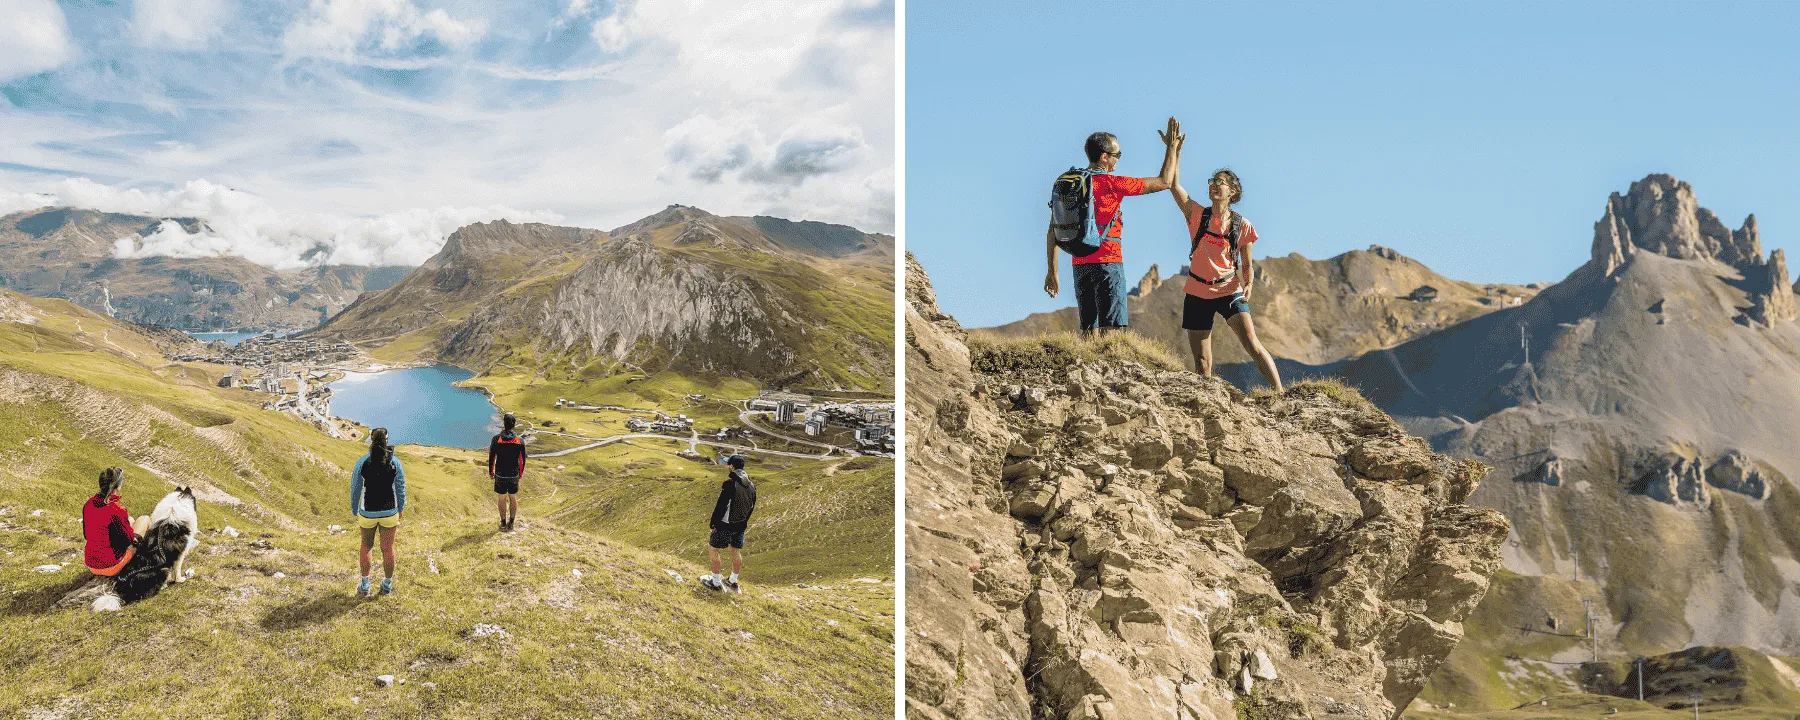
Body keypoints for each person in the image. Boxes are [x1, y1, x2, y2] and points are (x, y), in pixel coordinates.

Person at [1167, 123, 1284, 392]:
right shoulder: (1197, 214)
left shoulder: (1242, 225)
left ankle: (1279, 393)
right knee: (1202, 361)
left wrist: (1249, 284)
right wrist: (1175, 151)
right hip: (1197, 291)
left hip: (1229, 289)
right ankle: (1208, 402)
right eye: (1211, 182)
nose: (1213, 186)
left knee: (1252, 344)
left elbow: (1247, 263)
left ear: (1232, 190)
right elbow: (1174, 186)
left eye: (1219, 182)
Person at [1045, 117, 1181, 334]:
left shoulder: (1071, 186)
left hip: (1079, 264)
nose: (1118, 160)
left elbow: (1053, 231)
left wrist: (1052, 273)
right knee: (1113, 333)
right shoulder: (1112, 183)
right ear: (1104, 157)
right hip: (1108, 263)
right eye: (1117, 155)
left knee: (1089, 331)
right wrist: (1172, 149)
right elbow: (1164, 181)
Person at [350, 427, 406, 597]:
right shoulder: (395, 462)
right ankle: (387, 586)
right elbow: (400, 488)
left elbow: (355, 487)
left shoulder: (362, 462)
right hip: (390, 512)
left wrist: (354, 509)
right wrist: (401, 509)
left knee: (366, 546)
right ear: (387, 440)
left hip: (367, 513)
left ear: (371, 440)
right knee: (387, 548)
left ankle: (365, 586)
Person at [703, 455, 757, 593]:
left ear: (732, 466)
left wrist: (713, 523)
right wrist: (744, 521)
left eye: (729, 465)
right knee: (735, 551)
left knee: (713, 548)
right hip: (740, 524)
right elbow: (752, 506)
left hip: (725, 524)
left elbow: (721, 506)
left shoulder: (729, 484)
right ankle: (733, 581)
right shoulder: (752, 486)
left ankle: (715, 582)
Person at [82, 467, 148, 577]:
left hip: (91, 565)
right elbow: (128, 540)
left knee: (130, 520)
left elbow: (86, 535)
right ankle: (143, 561)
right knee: (144, 519)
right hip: (110, 566)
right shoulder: (117, 509)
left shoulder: (89, 504)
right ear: (118, 486)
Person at [487, 412, 526, 531]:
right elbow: (522, 459)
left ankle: (503, 523)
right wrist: (520, 473)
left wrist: (491, 472)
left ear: (504, 424)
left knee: (502, 498)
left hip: (500, 474)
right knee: (513, 497)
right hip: (514, 474)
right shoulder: (519, 440)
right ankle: (512, 522)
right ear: (514, 424)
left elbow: (492, 457)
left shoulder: (496, 439)